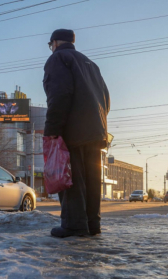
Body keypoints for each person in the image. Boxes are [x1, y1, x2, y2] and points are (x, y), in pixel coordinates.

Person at [43, 29, 110, 238]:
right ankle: (92, 225)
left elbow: (60, 94)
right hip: (96, 131)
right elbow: (106, 99)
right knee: (91, 180)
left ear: (54, 43)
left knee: (71, 177)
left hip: (73, 130)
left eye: (50, 44)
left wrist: (52, 130)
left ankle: (74, 226)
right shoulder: (91, 64)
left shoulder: (58, 58)